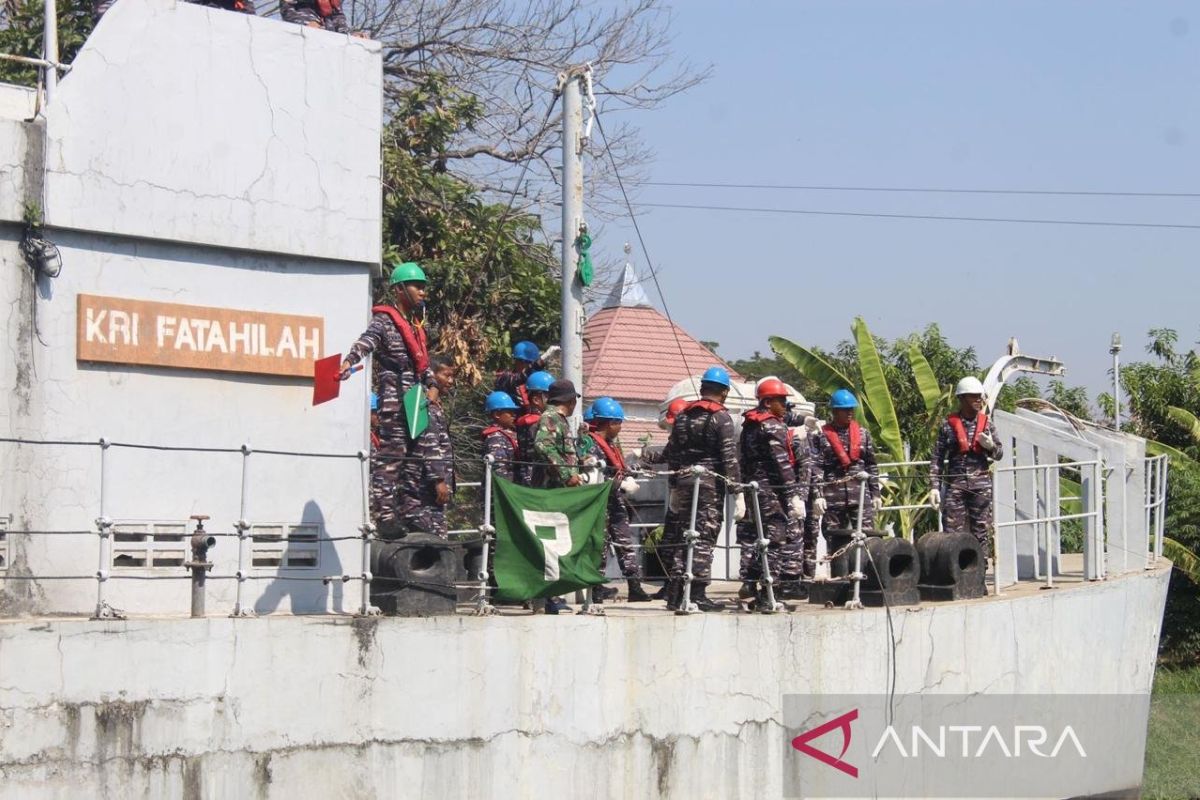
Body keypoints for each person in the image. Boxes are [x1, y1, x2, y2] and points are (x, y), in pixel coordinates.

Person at [340, 262, 435, 537]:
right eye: (417, 286)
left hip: (416, 402)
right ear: (400, 289)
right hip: (395, 401)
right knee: (390, 461)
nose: (422, 292)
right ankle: (385, 516)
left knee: (416, 460)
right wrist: (348, 361)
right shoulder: (384, 321)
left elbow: (423, 364)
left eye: (423, 287)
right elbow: (366, 342)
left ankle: (410, 513)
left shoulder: (415, 327)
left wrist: (431, 386)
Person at [661, 366, 742, 612]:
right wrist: (736, 491)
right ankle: (696, 594)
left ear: (703, 387)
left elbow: (672, 453)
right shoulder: (721, 418)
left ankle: (675, 594)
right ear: (724, 392)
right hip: (708, 486)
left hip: (684, 482)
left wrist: (674, 485)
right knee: (703, 539)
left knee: (685, 538)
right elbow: (729, 457)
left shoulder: (683, 415)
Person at [736, 378, 809, 605]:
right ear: (767, 402)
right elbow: (782, 463)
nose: (784, 406)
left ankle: (758, 590)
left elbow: (742, 459)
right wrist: (793, 494)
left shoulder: (749, 424)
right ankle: (771, 594)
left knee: (761, 541)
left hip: (754, 490)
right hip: (772, 491)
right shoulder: (772, 425)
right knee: (775, 541)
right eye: (780, 401)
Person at [580, 397, 652, 603]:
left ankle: (635, 587)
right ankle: (596, 589)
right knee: (599, 545)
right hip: (600, 503)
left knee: (625, 543)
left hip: (615, 501)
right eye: (619, 423)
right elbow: (593, 478)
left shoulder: (610, 445)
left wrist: (631, 474)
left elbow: (618, 469)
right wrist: (620, 484)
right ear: (610, 423)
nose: (620, 427)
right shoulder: (591, 446)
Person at [930, 377, 1004, 549]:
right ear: (962, 398)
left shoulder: (987, 425)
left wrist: (991, 446)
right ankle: (953, 572)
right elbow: (937, 458)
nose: (979, 400)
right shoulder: (947, 426)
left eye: (980, 396)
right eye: (973, 396)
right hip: (955, 486)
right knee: (952, 533)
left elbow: (1000, 454)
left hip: (981, 487)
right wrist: (934, 486)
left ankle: (980, 572)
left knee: (981, 531)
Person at [530, 379, 582, 614]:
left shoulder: (558, 420)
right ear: (569, 401)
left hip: (557, 492)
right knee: (549, 545)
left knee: (556, 545)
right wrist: (566, 473)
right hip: (550, 491)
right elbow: (544, 446)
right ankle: (547, 596)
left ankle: (551, 595)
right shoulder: (550, 418)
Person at [396, 356, 456, 539]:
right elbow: (428, 443)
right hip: (424, 489)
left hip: (428, 488)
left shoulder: (431, 404)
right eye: (447, 375)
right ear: (432, 374)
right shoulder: (424, 403)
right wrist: (438, 480)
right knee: (431, 541)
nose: (451, 381)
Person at [811, 389, 881, 533]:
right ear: (835, 411)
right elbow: (816, 467)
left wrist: (876, 494)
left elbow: (871, 465)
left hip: (860, 494)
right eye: (845, 410)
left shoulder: (863, 434)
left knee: (867, 537)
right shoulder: (821, 436)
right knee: (835, 540)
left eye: (851, 409)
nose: (849, 412)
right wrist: (818, 495)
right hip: (833, 497)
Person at [494, 341, 559, 412]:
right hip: (513, 419)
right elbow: (520, 377)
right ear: (517, 361)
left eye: (531, 363)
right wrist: (541, 361)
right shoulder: (505, 378)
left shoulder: (534, 380)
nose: (528, 366)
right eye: (526, 362)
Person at [515, 371, 554, 487]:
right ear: (536, 399)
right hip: (536, 476)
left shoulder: (530, 421)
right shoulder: (535, 423)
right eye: (549, 396)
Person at [280, 0, 349, 32]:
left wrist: (348, 33)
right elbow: (286, 10)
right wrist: (305, 24)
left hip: (328, 36)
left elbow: (339, 19)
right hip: (302, 33)